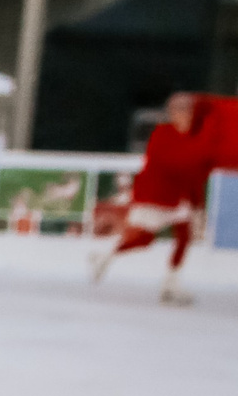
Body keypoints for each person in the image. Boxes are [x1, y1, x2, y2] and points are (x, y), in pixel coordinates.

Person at [90, 91, 217, 304]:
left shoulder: (195, 137)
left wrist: (197, 204)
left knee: (184, 237)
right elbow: (169, 164)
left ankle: (170, 285)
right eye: (181, 110)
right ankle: (104, 257)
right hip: (157, 197)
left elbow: (195, 171)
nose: (185, 115)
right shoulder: (163, 134)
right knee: (144, 239)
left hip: (179, 197)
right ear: (173, 112)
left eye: (189, 111)